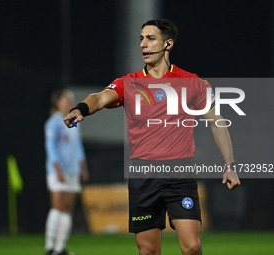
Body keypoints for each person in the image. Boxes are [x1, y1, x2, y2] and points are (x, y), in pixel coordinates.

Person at [64, 19, 240, 255]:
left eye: (150, 38)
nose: (143, 45)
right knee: (148, 251)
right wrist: (81, 108)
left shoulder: (192, 82)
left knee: (192, 247)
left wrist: (229, 165)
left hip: (180, 173)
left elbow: (216, 122)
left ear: (168, 44)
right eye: (141, 39)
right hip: (143, 175)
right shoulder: (129, 83)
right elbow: (99, 98)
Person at [44, 89, 89, 255]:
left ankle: (60, 248)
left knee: (67, 209)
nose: (69, 102)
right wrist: (57, 170)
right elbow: (51, 148)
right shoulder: (53, 122)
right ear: (58, 102)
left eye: (71, 100)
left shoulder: (74, 121)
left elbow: (77, 146)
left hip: (73, 171)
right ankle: (49, 247)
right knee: (57, 207)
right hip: (58, 171)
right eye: (66, 99)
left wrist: (82, 168)